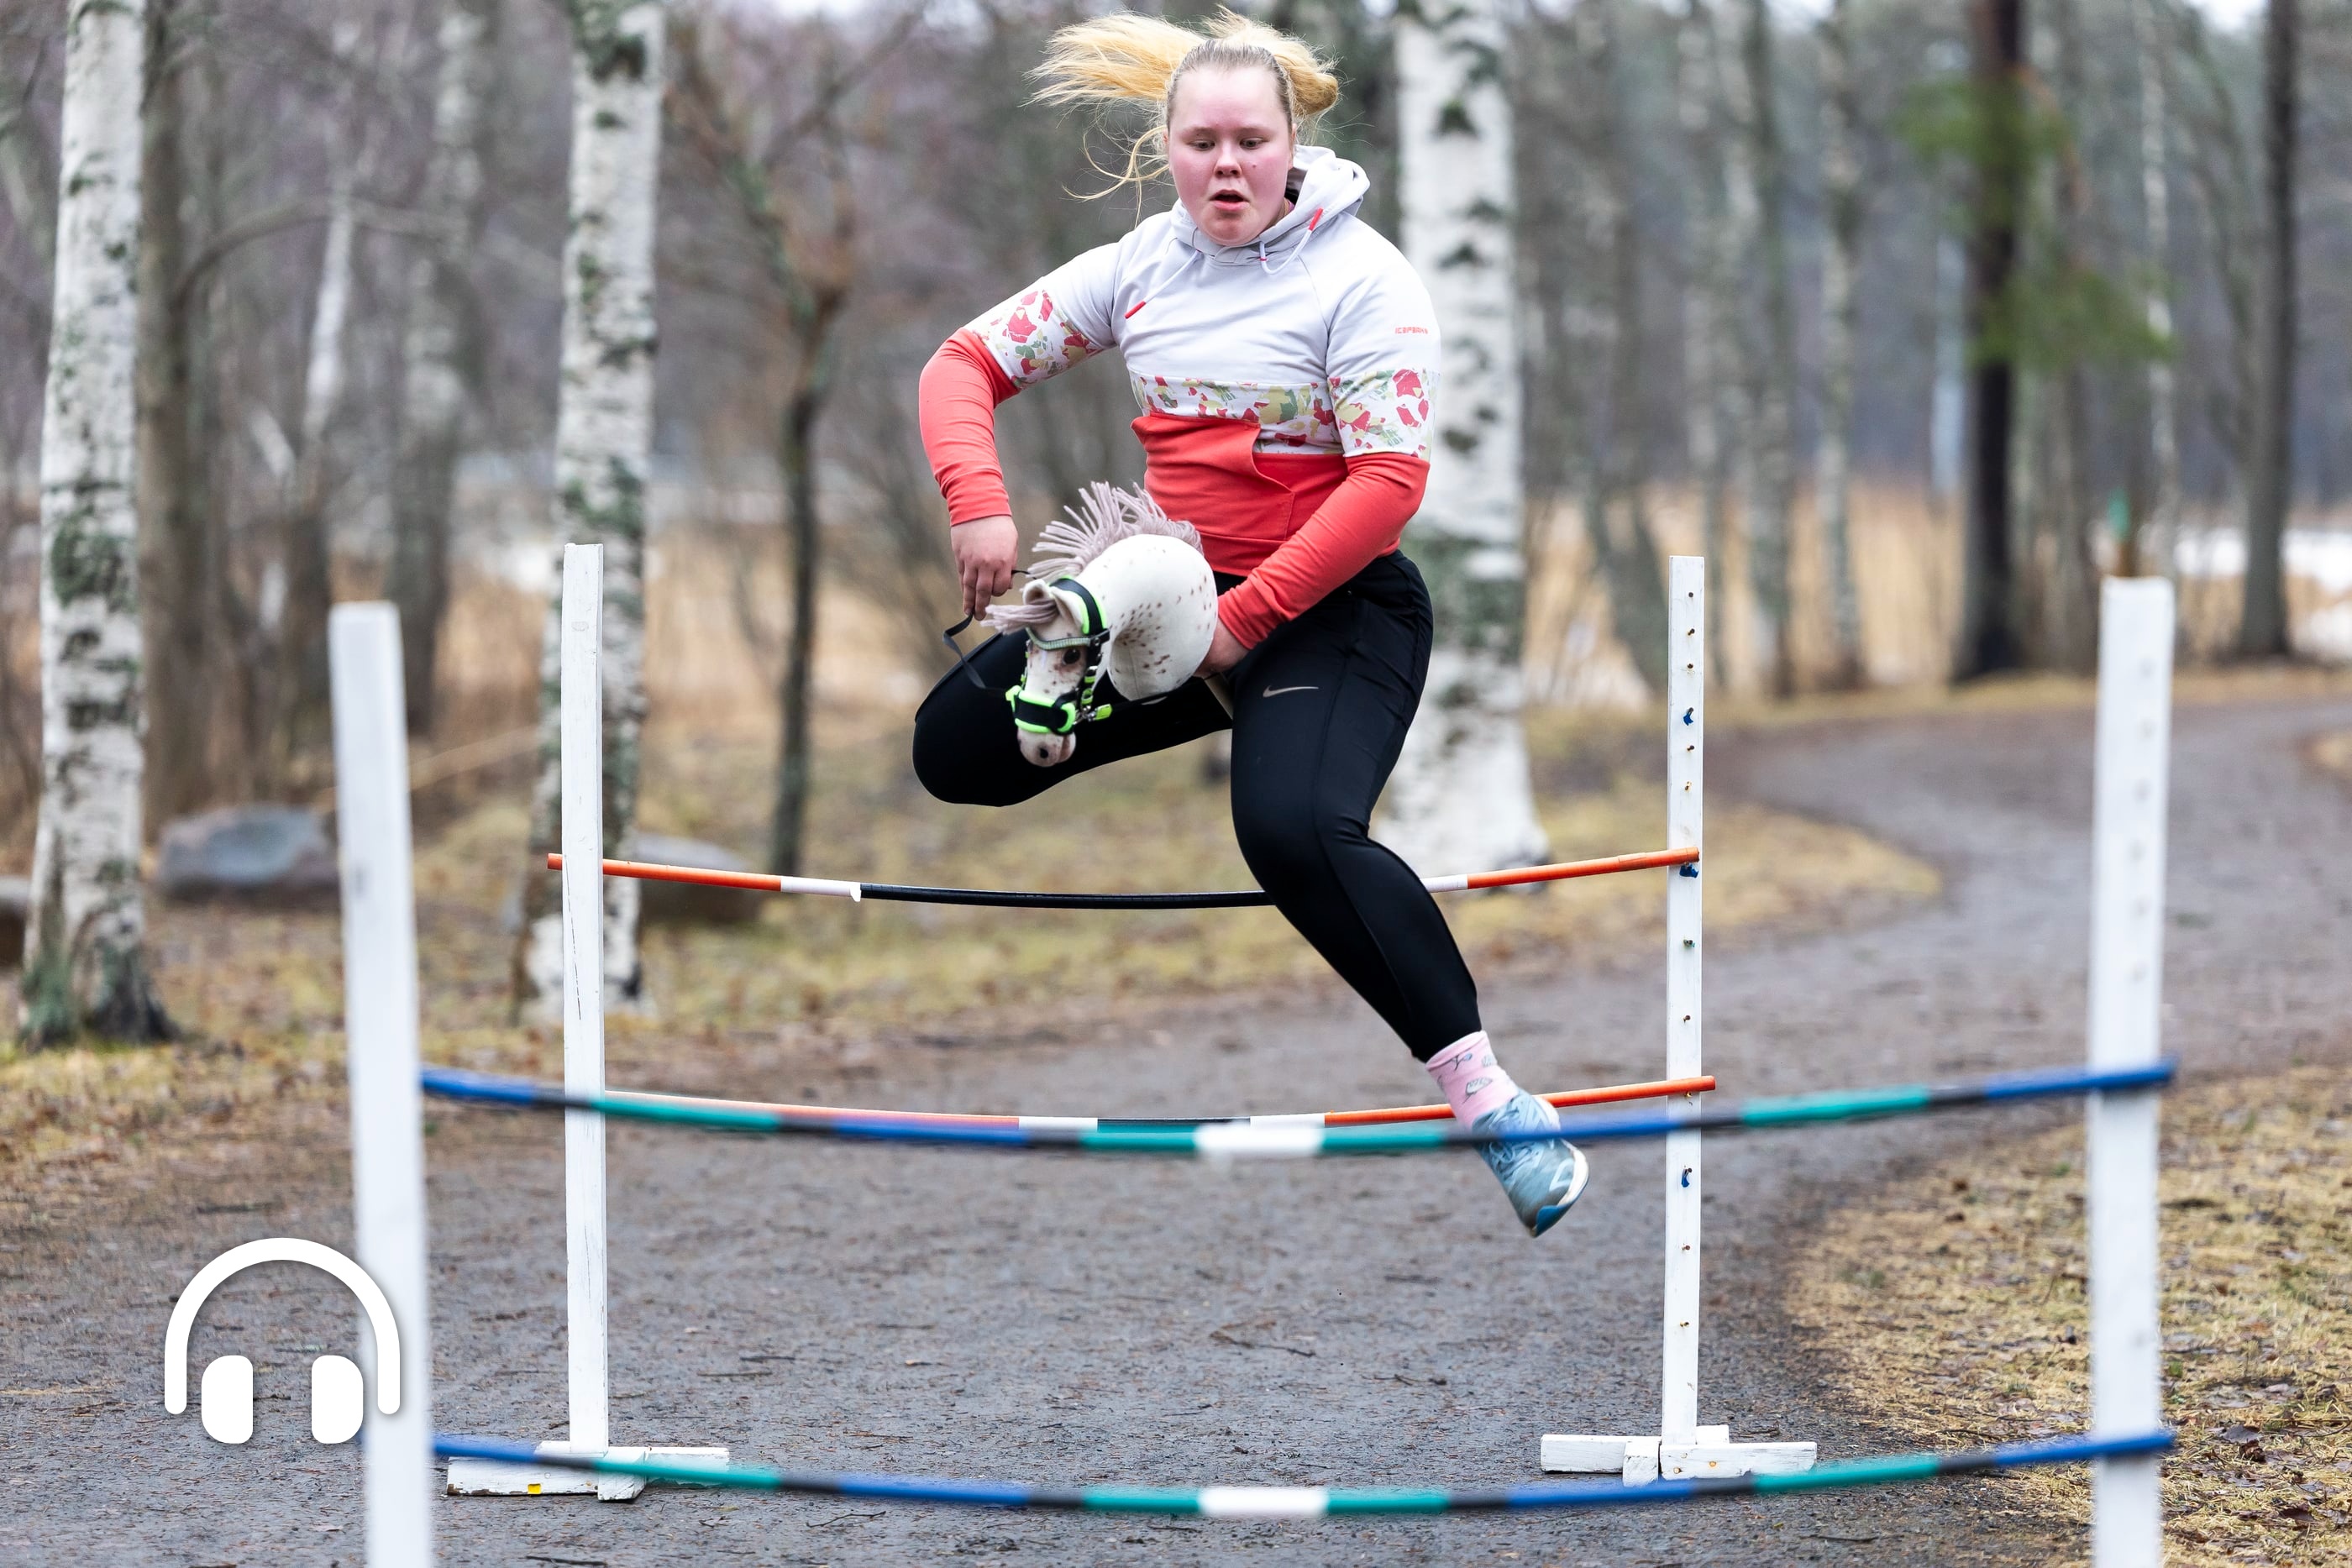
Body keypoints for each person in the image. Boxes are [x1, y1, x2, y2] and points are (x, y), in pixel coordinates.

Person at [911, 10, 1586, 1236]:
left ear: (1293, 148)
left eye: (1251, 142)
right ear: (1164, 147)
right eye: (1203, 141)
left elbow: (1387, 487)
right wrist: (982, 507)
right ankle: (1069, 642)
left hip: (1335, 609)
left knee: (1286, 828)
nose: (1227, 166)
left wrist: (1245, 624)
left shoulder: (1364, 280)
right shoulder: (1136, 269)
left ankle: (1491, 1100)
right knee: (952, 752)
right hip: (1166, 602)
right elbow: (961, 366)